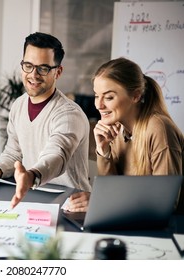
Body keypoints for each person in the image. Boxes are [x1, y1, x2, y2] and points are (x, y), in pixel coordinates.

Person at [0, 32, 91, 209]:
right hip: (33, 199)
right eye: (28, 65)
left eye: (43, 68)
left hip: (72, 206)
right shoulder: (19, 105)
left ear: (58, 72)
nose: (33, 74)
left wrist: (31, 176)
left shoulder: (69, 114)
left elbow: (56, 156)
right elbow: (13, 152)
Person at [66, 57, 184, 213]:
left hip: (167, 230)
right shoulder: (117, 129)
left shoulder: (158, 128)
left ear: (135, 96)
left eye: (108, 97)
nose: (98, 105)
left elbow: (165, 202)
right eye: (96, 96)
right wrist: (104, 151)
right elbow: (112, 191)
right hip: (132, 220)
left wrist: (102, 202)